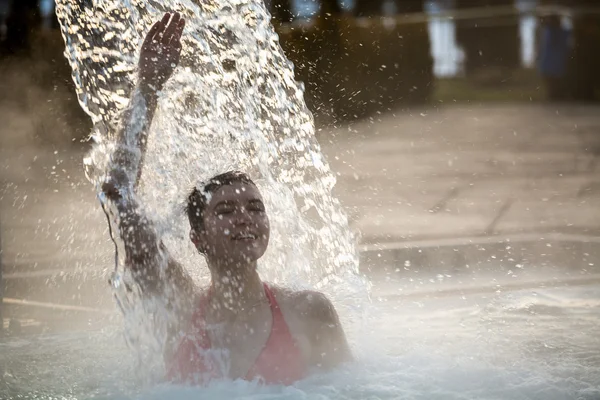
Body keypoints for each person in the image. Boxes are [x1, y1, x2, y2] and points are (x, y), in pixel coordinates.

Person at [101, 12, 352, 386]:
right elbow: (118, 193)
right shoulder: (180, 307)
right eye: (225, 210)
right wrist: (147, 89)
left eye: (254, 207)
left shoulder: (308, 311)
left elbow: (355, 391)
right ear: (197, 237)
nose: (245, 217)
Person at [538, 14, 571, 101]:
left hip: (554, 65)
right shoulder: (550, 31)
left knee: (555, 85)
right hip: (553, 65)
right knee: (553, 85)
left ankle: (555, 97)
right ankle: (554, 97)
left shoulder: (551, 31)